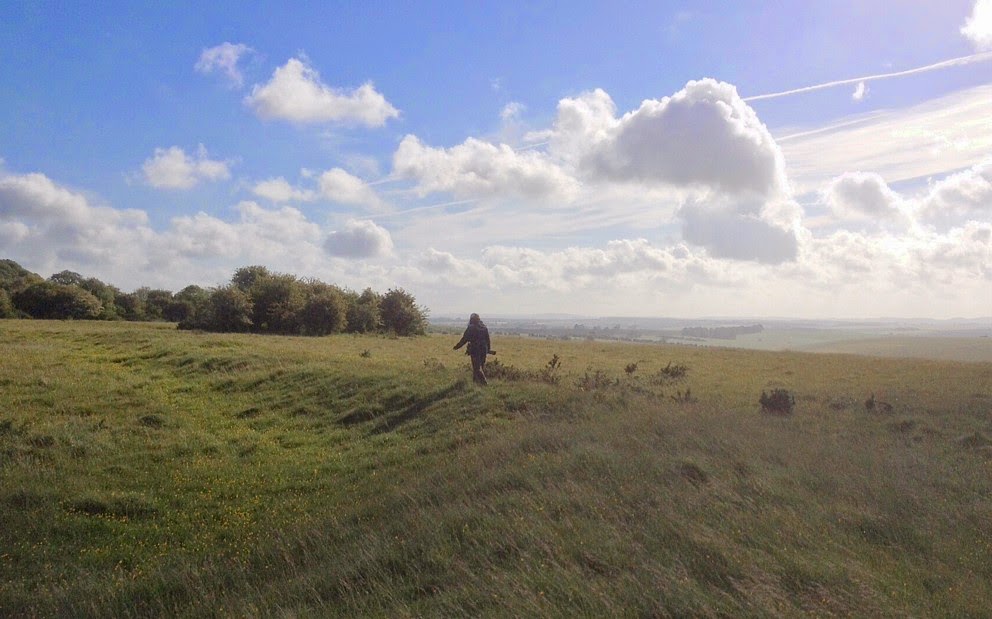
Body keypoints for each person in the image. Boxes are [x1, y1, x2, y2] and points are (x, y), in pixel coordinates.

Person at [453, 313, 492, 385]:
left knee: (477, 368)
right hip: (484, 349)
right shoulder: (484, 327)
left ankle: (484, 383)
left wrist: (457, 346)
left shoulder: (471, 328)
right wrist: (488, 349)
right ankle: (475, 384)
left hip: (475, 349)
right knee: (481, 367)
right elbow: (488, 340)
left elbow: (464, 339)